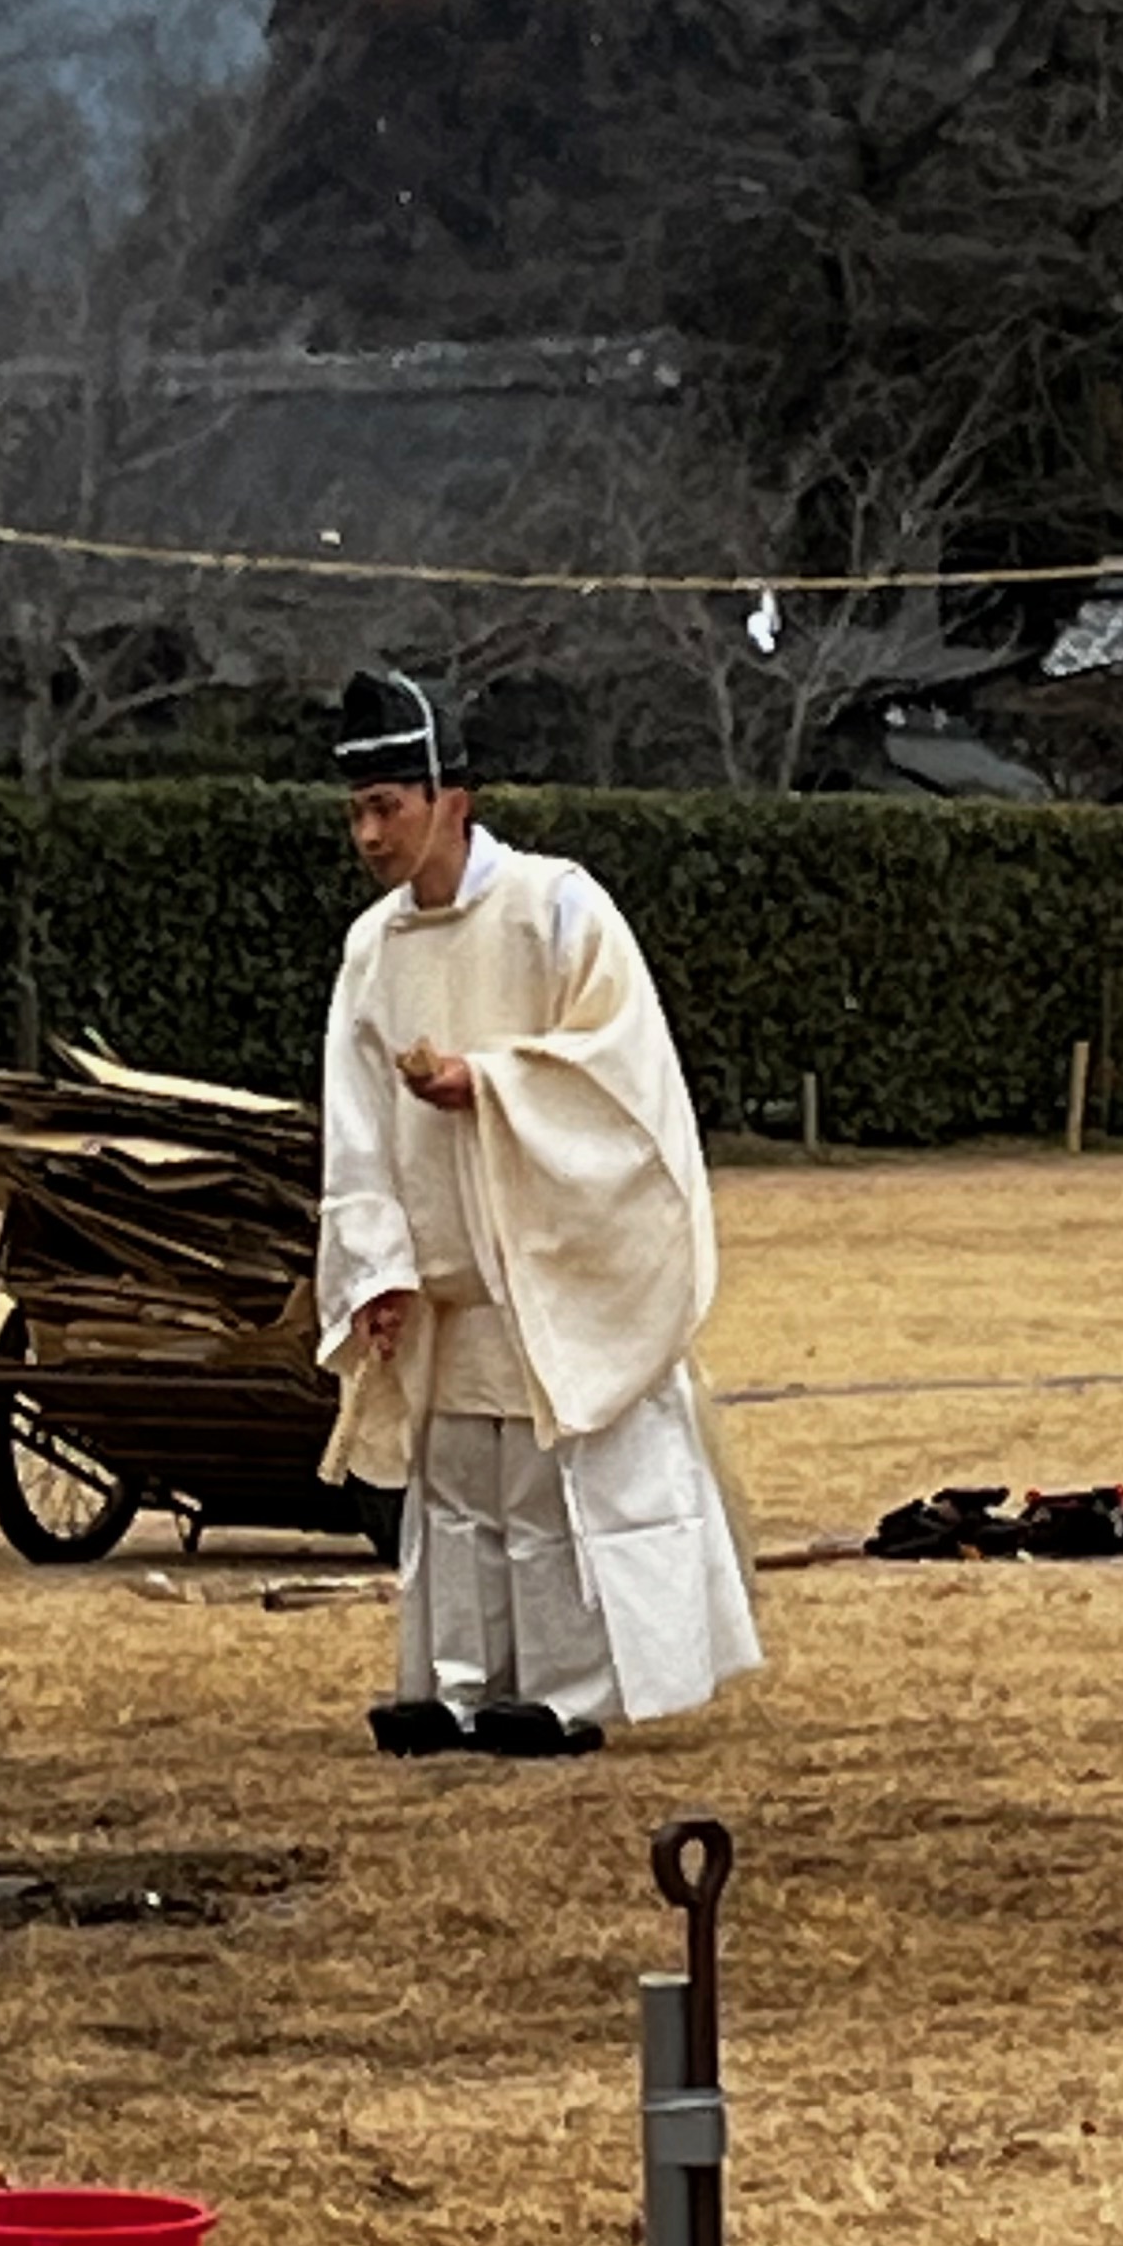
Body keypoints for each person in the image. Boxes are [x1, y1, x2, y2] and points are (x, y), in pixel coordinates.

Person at [316, 668, 760, 1759]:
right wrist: (376, 1267)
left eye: (389, 808)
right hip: (448, 1283)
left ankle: (563, 1690)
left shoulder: (558, 908)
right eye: (358, 811)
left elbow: (622, 1073)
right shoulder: (372, 950)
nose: (370, 835)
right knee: (458, 1490)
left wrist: (492, 1082)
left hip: (548, 1267)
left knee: (546, 1488)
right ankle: (459, 1684)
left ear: (452, 801)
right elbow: (356, 1127)